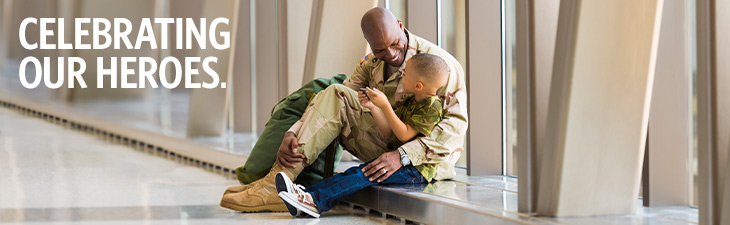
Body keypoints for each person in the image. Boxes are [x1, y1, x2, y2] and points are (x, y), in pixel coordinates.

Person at [219, 7, 468, 213]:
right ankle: (277, 181)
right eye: (381, 49)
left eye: (395, 44)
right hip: (386, 140)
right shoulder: (372, 62)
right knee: (335, 92)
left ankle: (287, 192)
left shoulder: (438, 64)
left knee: (354, 171)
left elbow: (454, 129)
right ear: (369, 44)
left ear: (401, 26)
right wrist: (294, 131)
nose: (391, 54)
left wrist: (402, 156)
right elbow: (340, 95)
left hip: (423, 161)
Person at [275, 54, 449, 217]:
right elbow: (390, 132)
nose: (401, 75)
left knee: (361, 174)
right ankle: (306, 196)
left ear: (419, 85)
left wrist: (386, 106)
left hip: (414, 169)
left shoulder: (432, 107)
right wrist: (373, 107)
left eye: (405, 74)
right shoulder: (412, 100)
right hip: (403, 163)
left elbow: (404, 135)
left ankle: (313, 202)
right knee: (354, 172)